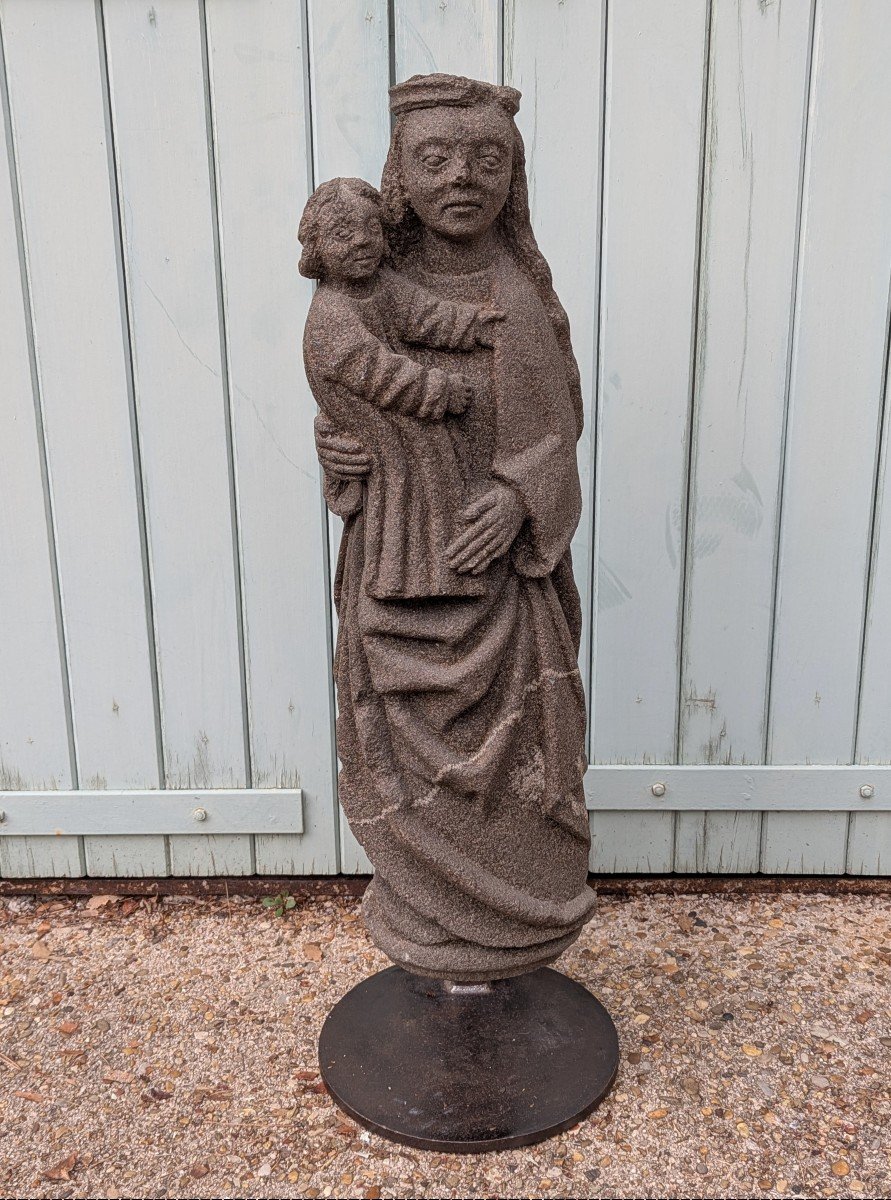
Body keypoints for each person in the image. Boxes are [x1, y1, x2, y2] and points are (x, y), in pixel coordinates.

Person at [314, 74, 595, 981]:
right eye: (434, 159)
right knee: (400, 748)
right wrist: (339, 455)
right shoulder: (366, 287)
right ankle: (425, 918)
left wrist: (519, 499)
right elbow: (350, 400)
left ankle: (512, 930)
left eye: (487, 159)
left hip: (497, 593)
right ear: (398, 176)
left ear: (513, 177)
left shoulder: (516, 299)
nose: (461, 177)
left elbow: (557, 434)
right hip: (394, 570)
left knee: (517, 765)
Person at [300, 177, 503, 600]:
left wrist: (471, 324)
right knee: (404, 491)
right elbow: (378, 373)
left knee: (433, 471)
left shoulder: (380, 285)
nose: (362, 242)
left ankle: (447, 572)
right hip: (382, 430)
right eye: (343, 234)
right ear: (317, 249)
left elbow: (422, 313)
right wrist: (437, 391)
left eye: (372, 229)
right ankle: (407, 581)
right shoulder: (331, 315)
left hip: (402, 427)